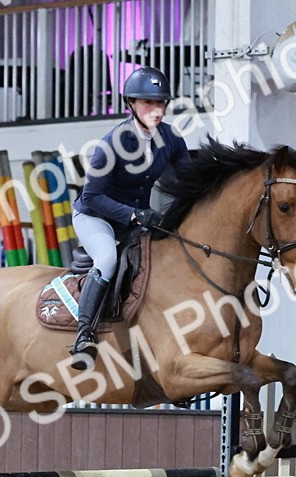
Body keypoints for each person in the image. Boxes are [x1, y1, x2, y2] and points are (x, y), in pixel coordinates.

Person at [68, 66, 190, 369]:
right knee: (108, 258)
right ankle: (85, 335)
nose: (156, 110)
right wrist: (135, 215)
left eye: (161, 103)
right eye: (148, 103)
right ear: (131, 104)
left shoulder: (171, 138)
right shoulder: (110, 144)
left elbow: (190, 178)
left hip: (136, 219)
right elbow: (91, 197)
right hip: (95, 217)